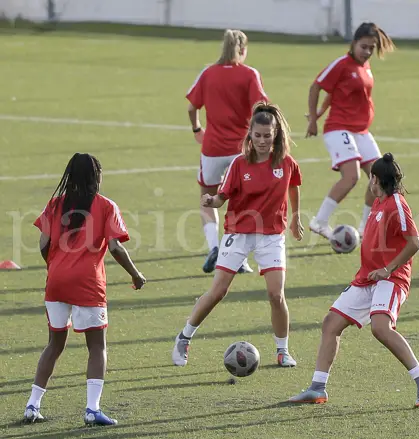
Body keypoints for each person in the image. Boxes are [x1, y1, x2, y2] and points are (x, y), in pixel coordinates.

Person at [288, 153, 419, 408]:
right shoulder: (379, 202)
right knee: (331, 323)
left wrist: (387, 269)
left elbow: (415, 243)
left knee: (380, 328)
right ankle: (317, 388)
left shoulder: (396, 204)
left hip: (391, 279)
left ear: (375, 179)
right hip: (367, 278)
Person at [172, 102, 304, 368]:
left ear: (276, 135)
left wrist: (296, 216)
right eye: (258, 135)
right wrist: (211, 201)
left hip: (271, 235)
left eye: (267, 136)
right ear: (250, 135)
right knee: (218, 291)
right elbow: (222, 197)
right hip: (239, 232)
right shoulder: (239, 164)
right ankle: (184, 337)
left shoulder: (287, 163)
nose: (262, 141)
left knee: (276, 295)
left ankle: (282, 350)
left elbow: (293, 186)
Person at [23, 153, 146, 426]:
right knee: (97, 346)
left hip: (56, 282)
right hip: (88, 284)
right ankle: (92, 409)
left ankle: (32, 405)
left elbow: (43, 243)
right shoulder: (106, 206)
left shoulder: (55, 204)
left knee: (54, 344)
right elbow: (115, 247)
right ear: (96, 176)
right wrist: (136, 275)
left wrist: (56, 266)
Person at [186, 29, 269, 274]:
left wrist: (197, 129)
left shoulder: (208, 73)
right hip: (241, 150)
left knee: (207, 198)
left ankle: (214, 247)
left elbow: (191, 107)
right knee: (242, 202)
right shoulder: (249, 74)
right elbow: (261, 109)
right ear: (242, 50)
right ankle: (239, 259)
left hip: (212, 149)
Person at [306, 22, 396, 239]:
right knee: (351, 176)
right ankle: (319, 222)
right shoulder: (341, 64)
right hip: (339, 128)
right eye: (363, 47)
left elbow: (336, 92)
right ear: (353, 43)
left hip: (361, 131)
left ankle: (366, 228)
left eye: (371, 48)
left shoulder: (366, 67)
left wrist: (321, 110)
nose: (367, 52)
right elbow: (317, 86)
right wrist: (314, 118)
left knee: (380, 177)